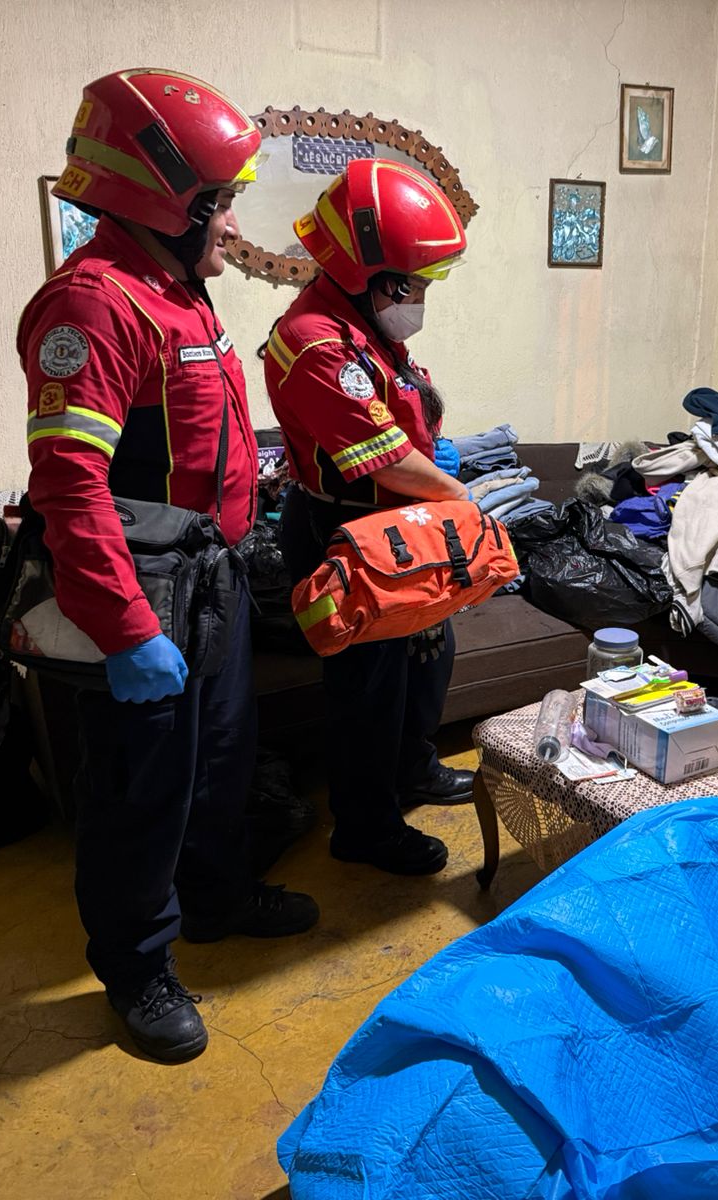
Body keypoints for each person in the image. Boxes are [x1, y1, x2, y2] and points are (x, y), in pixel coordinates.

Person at [18, 69, 318, 1064]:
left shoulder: (177, 293)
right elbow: (70, 484)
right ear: (167, 198)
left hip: (215, 577)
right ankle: (137, 969)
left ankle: (219, 902)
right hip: (145, 600)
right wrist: (127, 630)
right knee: (139, 792)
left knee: (220, 765)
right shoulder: (95, 304)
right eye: (221, 199)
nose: (232, 218)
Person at [263, 158, 476, 876]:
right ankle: (365, 825)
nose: (420, 296)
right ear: (370, 273)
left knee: (425, 659)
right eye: (414, 282)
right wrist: (458, 496)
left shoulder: (368, 330)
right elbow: (383, 460)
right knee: (368, 688)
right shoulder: (316, 342)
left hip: (402, 523)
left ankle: (414, 770)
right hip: (347, 530)